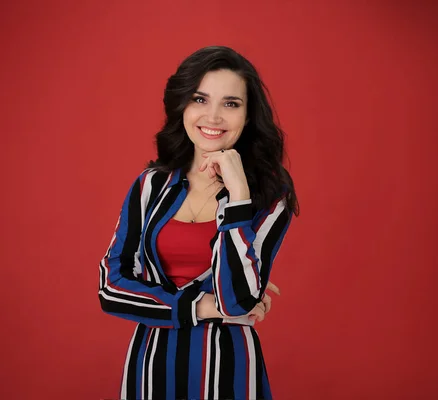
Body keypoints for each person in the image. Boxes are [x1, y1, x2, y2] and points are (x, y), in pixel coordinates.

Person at [98, 45, 299, 400]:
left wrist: (237, 196)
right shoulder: (151, 185)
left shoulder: (270, 192)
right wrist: (203, 305)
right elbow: (112, 289)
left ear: (248, 116)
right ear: (183, 107)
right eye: (200, 99)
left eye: (231, 103)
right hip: (150, 366)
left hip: (229, 368)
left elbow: (236, 301)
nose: (214, 117)